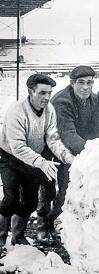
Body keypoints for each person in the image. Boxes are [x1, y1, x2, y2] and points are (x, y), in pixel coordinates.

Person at [0, 74, 75, 256]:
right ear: (30, 91)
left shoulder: (49, 109)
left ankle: (17, 236)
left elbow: (52, 137)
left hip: (33, 158)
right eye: (42, 93)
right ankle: (1, 238)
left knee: (31, 200)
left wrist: (67, 156)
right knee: (11, 198)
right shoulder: (16, 111)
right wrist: (41, 162)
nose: (47, 97)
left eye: (49, 93)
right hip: (10, 157)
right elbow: (17, 146)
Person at [39, 65, 99, 241]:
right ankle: (43, 224)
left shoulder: (94, 100)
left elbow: (96, 128)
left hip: (78, 150)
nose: (85, 87)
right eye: (81, 83)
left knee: (68, 190)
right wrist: (92, 150)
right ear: (72, 83)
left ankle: (59, 221)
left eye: (89, 83)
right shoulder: (62, 101)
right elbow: (67, 134)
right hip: (52, 148)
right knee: (48, 188)